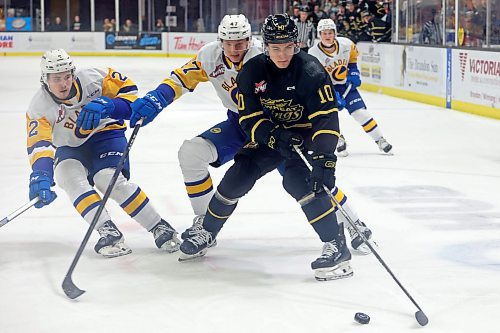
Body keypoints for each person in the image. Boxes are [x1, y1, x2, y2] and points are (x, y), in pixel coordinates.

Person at [129, 14, 374, 256]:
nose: (234, 49)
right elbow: (181, 78)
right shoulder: (209, 55)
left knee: (310, 177)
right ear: (219, 41)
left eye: (241, 43)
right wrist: (157, 98)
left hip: (284, 125)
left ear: (251, 40)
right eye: (228, 43)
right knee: (191, 153)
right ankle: (206, 226)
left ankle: (352, 224)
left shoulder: (265, 56)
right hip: (242, 122)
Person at [177, 14, 355, 281]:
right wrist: (274, 136)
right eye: (275, 48)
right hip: (272, 135)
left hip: (306, 135)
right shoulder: (253, 71)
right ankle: (208, 230)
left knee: (300, 182)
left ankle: (337, 245)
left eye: (287, 48)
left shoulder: (311, 71)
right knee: (239, 174)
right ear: (266, 46)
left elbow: (327, 120)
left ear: (296, 45)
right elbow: (248, 117)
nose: (282, 55)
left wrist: (325, 161)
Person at [26, 49, 180, 258]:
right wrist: (41, 174)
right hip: (69, 146)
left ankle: (159, 226)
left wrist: (110, 105)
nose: (63, 84)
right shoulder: (39, 106)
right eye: (56, 79)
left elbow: (132, 98)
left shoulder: (94, 78)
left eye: (67, 77)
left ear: (73, 73)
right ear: (45, 79)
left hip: (107, 135)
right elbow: (39, 144)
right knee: (66, 175)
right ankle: (106, 229)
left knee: (108, 179)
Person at [309, 18, 393, 155]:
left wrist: (354, 73)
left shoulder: (346, 44)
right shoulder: (313, 53)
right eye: (324, 33)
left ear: (335, 33)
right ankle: (338, 140)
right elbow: (317, 78)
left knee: (361, 113)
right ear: (319, 34)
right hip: (326, 89)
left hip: (346, 86)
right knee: (330, 117)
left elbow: (352, 60)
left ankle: (380, 140)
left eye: (330, 33)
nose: (327, 36)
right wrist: (332, 94)